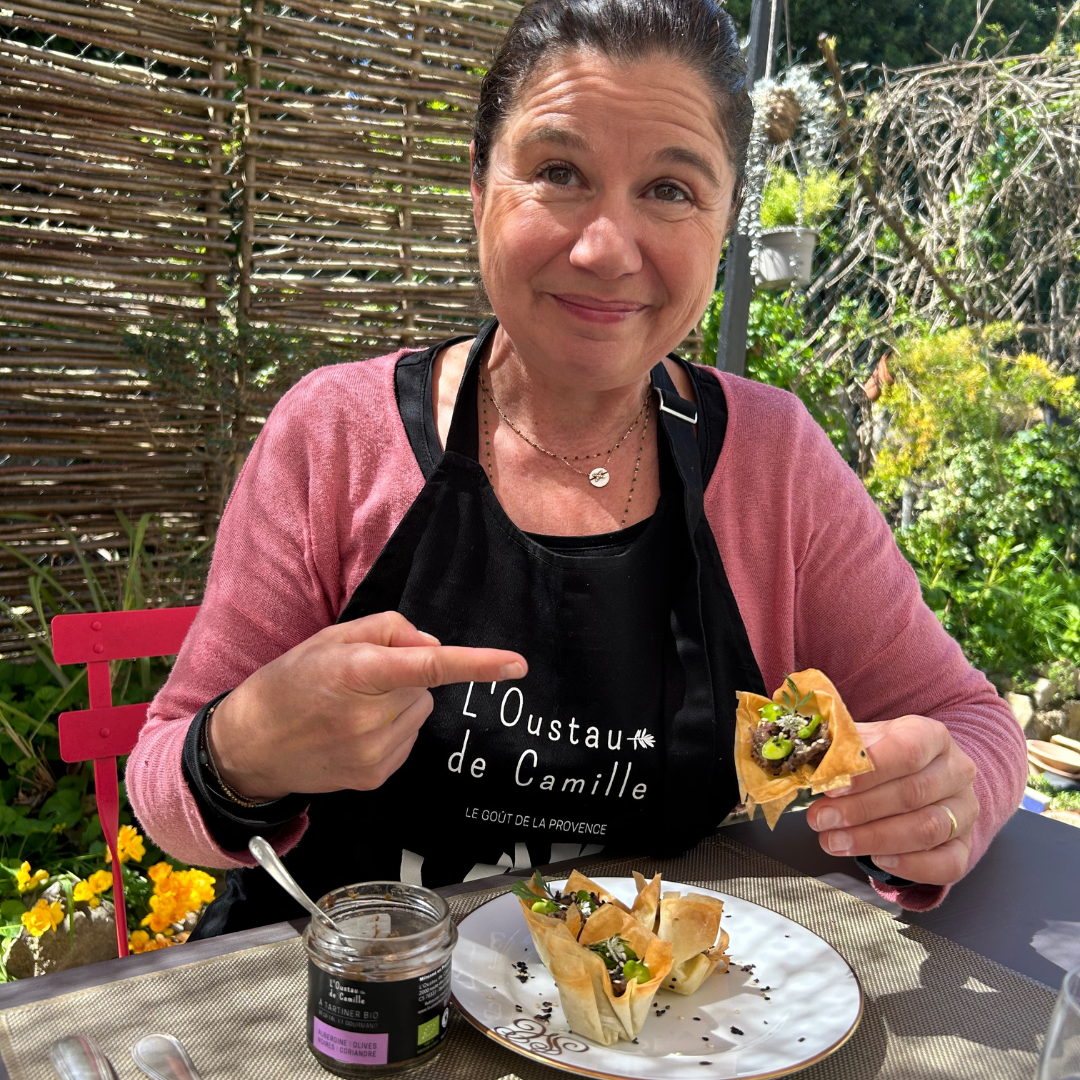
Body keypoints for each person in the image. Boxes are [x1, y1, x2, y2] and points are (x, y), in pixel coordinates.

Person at [128, 0, 1025, 937]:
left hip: (657, 1036)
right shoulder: (335, 435)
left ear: (724, 220)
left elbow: (971, 721)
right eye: (558, 173)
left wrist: (940, 802)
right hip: (351, 1017)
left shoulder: (772, 459)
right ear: (478, 186)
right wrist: (243, 751)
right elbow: (163, 787)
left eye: (671, 190)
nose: (605, 249)